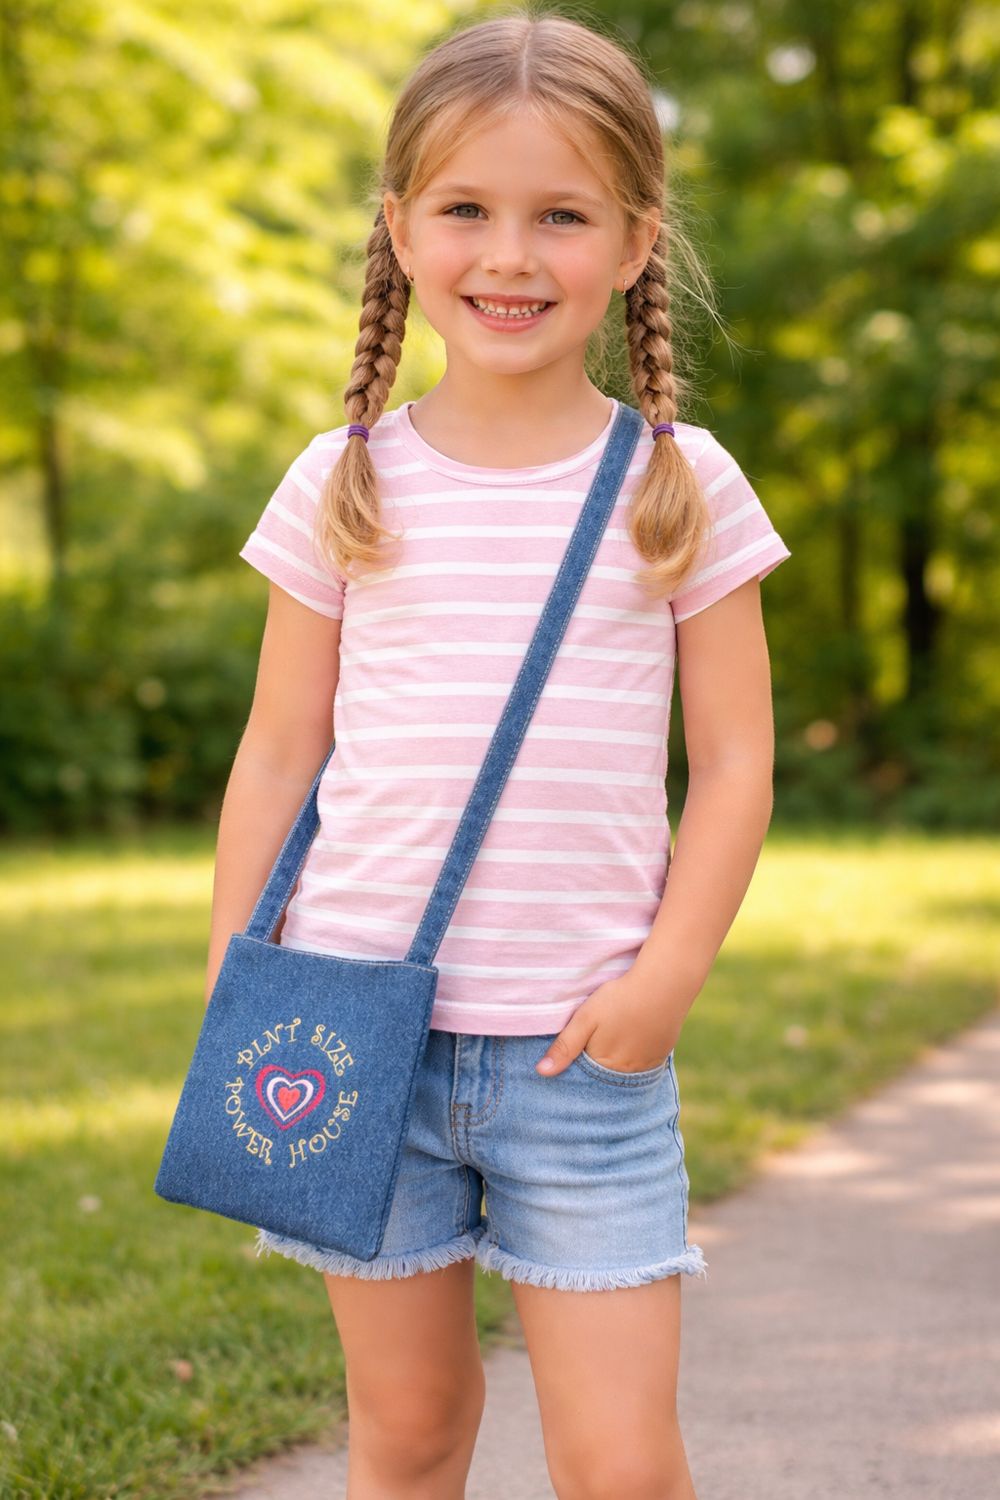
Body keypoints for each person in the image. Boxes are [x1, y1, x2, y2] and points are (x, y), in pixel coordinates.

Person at [211, 9, 791, 1498]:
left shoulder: (677, 489)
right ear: (401, 227)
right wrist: (237, 960)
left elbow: (731, 766)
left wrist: (667, 977)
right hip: (350, 1036)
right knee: (405, 1436)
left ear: (635, 236)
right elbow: (281, 753)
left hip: (579, 1055)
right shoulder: (343, 483)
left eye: (561, 216)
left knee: (621, 1467)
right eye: (466, 209)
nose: (510, 257)